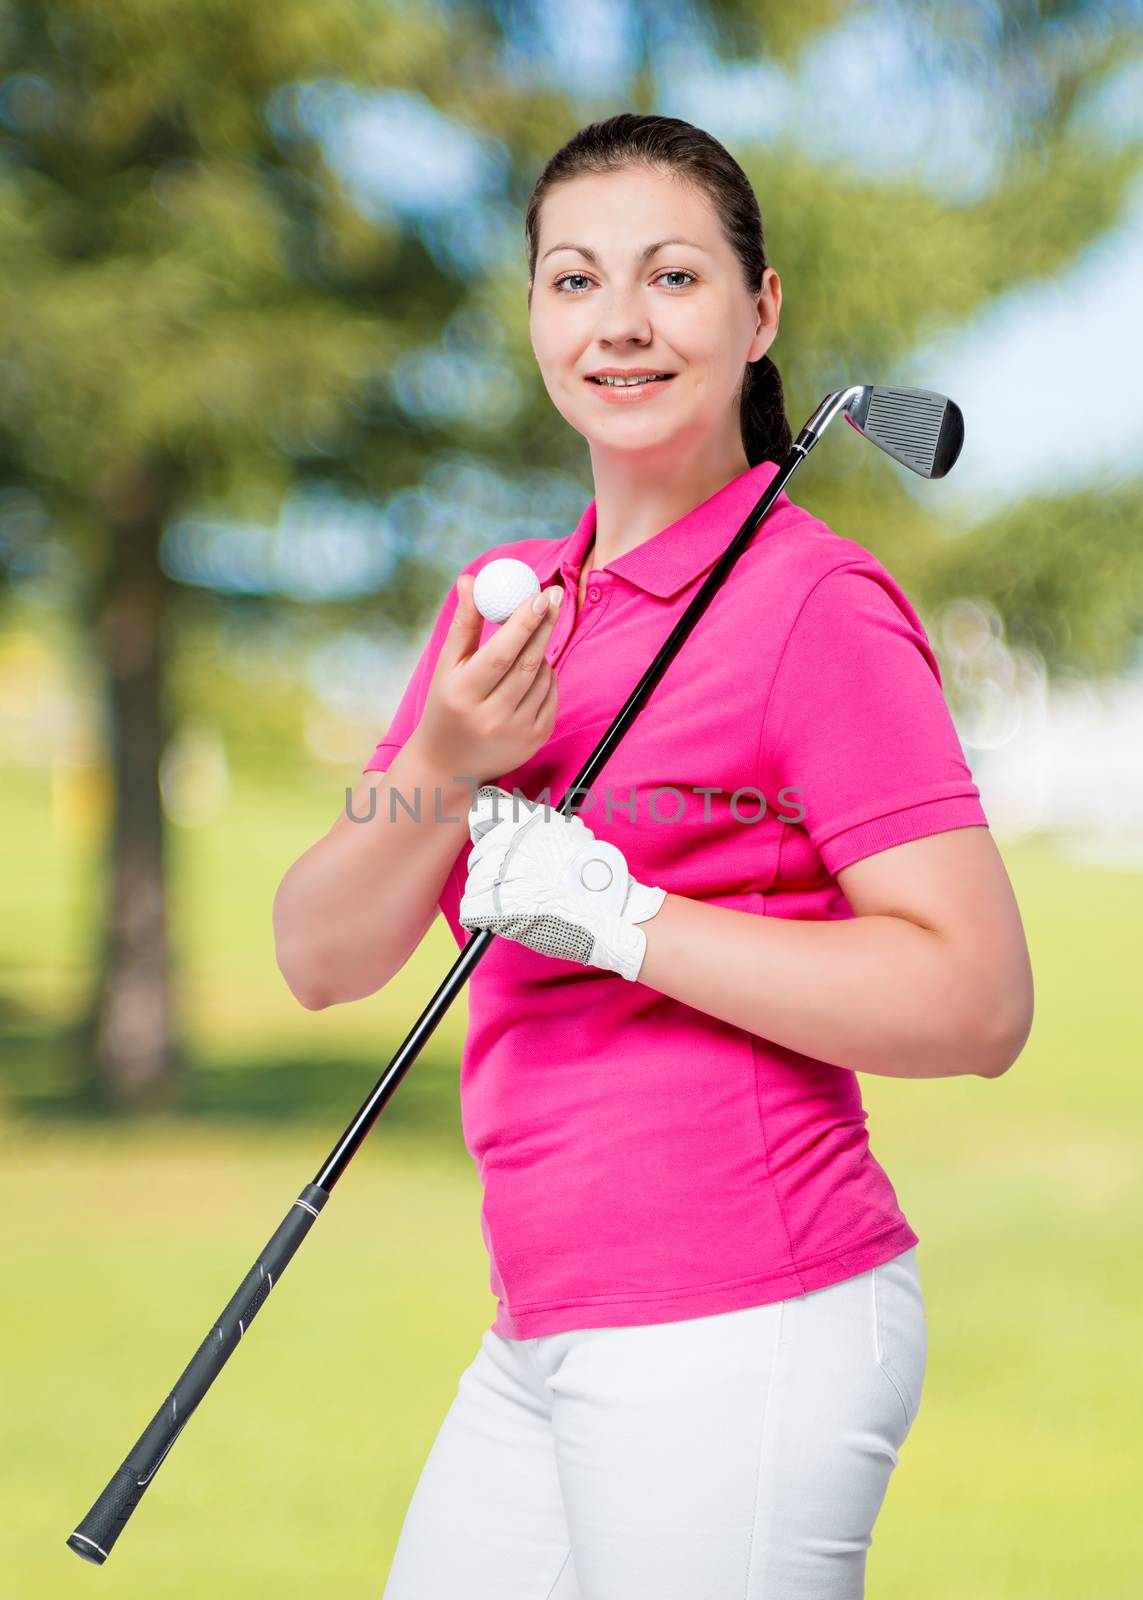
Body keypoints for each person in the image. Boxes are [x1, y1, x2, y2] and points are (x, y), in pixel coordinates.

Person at [272, 113, 1034, 1599]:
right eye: (573, 279)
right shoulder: (504, 612)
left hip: (750, 1320)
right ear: (534, 317)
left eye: (672, 277)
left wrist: (627, 921)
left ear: (759, 314)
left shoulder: (817, 608)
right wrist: (437, 763)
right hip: (545, 1324)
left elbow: (977, 1001)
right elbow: (321, 956)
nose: (619, 321)